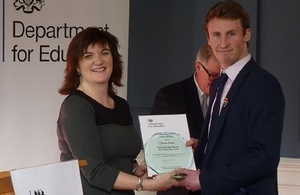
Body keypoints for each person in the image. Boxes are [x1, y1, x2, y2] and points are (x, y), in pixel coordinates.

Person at [178, 1, 285, 194]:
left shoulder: (265, 85)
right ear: (208, 39)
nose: (223, 43)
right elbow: (234, 141)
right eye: (216, 35)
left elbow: (264, 156)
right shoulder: (219, 83)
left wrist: (205, 180)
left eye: (231, 34)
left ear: (247, 35)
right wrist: (204, 145)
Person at [56, 27, 179, 195]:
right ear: (76, 66)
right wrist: (146, 185)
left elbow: (122, 157)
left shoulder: (121, 104)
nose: (98, 61)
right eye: (88, 56)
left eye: (104, 53)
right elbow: (95, 172)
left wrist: (136, 169)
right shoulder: (76, 107)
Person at [151, 44, 220, 195]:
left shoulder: (229, 99)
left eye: (221, 76)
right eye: (212, 75)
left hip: (216, 187)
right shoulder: (169, 96)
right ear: (198, 66)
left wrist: (202, 145)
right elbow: (159, 149)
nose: (216, 81)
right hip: (179, 190)